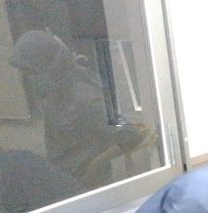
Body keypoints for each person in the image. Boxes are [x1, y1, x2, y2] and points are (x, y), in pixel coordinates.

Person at [9, 31, 148, 190]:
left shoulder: (83, 97)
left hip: (87, 188)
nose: (26, 78)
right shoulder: (57, 93)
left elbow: (131, 135)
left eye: (30, 72)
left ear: (50, 67)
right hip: (65, 182)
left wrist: (96, 164)